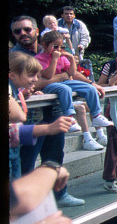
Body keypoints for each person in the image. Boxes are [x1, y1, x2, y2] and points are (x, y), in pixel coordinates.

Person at [10, 17, 84, 207]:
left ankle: (59, 194)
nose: (22, 34)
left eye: (26, 29)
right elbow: (37, 83)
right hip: (31, 117)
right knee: (27, 160)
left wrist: (90, 84)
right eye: (17, 31)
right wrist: (62, 77)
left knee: (54, 154)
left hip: (54, 111)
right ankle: (25, 204)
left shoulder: (54, 47)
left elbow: (70, 72)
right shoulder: (15, 57)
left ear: (36, 31)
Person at [9, 52, 75, 179]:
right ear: (12, 75)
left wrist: (22, 94)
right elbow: (19, 117)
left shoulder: (16, 89)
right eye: (31, 75)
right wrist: (48, 128)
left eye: (37, 75)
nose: (35, 79)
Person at [35, 31, 113, 131]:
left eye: (61, 47)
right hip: (49, 85)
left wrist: (71, 58)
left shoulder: (62, 57)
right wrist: (54, 59)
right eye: (55, 47)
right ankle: (69, 118)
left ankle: (96, 116)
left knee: (89, 88)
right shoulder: (40, 58)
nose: (58, 50)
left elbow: (72, 73)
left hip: (64, 82)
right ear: (45, 45)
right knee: (65, 89)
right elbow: (48, 75)